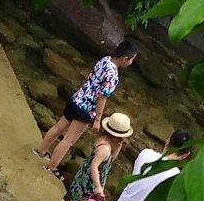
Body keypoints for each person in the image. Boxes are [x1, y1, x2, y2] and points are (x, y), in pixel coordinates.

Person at [34, 39, 137, 174]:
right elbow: (102, 97)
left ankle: (40, 151)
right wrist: (98, 119)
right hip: (86, 109)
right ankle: (51, 167)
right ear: (125, 59)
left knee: (58, 127)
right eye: (131, 60)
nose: (131, 63)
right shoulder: (113, 75)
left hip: (77, 98)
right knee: (68, 141)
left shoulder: (105, 60)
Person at [49, 112, 133, 201]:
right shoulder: (104, 149)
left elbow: (111, 160)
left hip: (82, 177)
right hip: (87, 183)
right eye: (121, 138)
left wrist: (117, 148)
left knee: (68, 198)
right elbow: (94, 166)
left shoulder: (103, 141)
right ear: (117, 137)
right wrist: (98, 187)